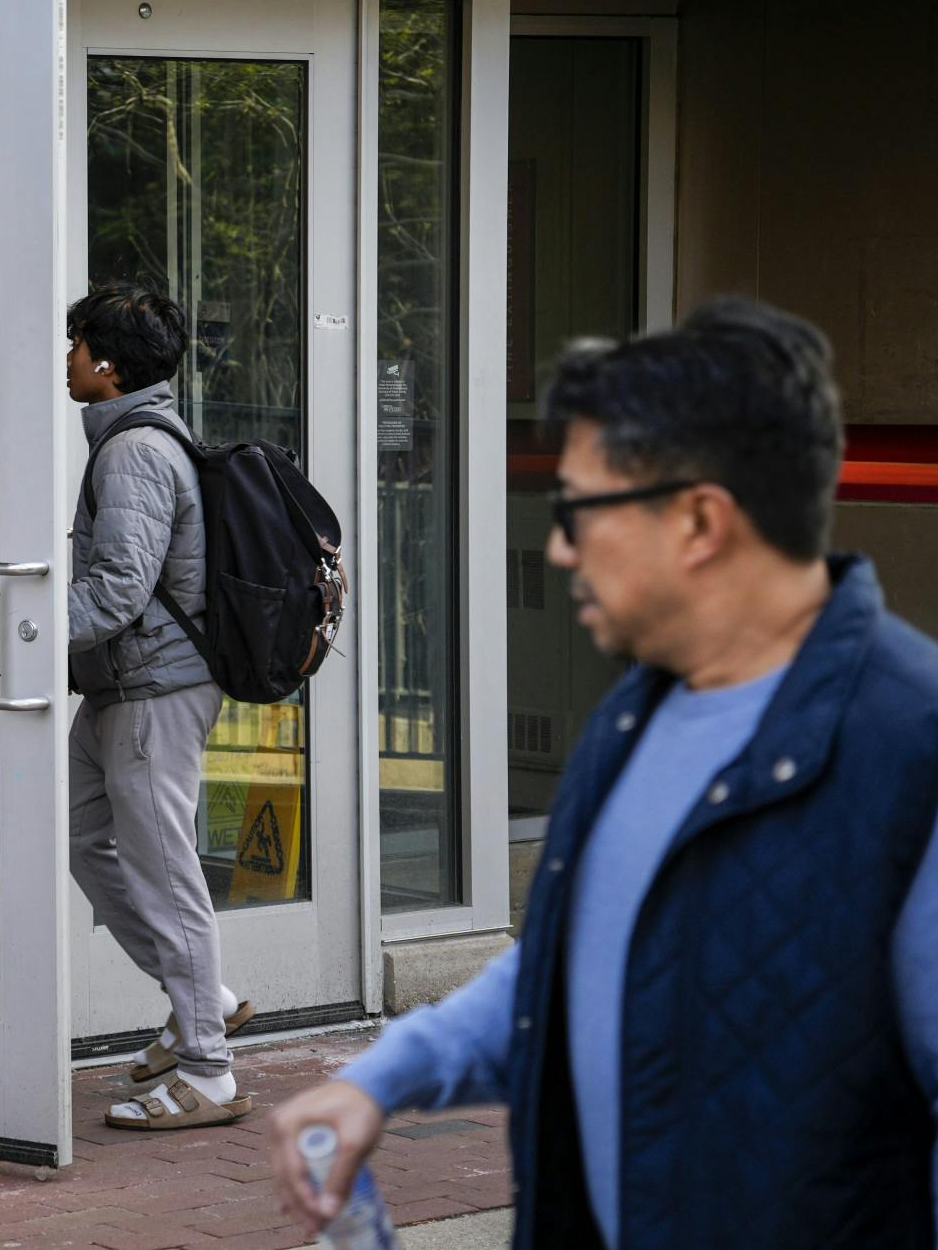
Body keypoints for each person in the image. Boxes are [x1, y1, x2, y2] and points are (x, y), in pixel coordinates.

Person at [269, 298, 938, 1249]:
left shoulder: (913, 751)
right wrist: (383, 1077)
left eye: (580, 509)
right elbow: (576, 976)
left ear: (701, 519)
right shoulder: (634, 717)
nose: (557, 547)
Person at [65, 283, 256, 1132]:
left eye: (76, 345)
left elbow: (117, 590)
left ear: (108, 365)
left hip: (154, 687)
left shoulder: (134, 452)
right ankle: (202, 997)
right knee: (84, 836)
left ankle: (210, 1069)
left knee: (164, 871)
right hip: (123, 684)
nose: (67, 359)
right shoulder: (132, 436)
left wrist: (9, 633)